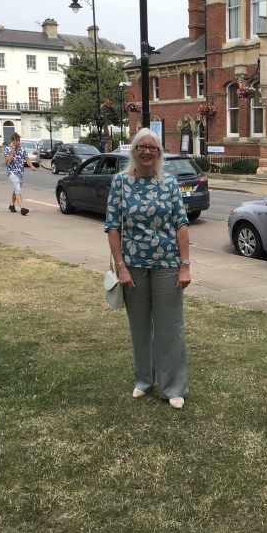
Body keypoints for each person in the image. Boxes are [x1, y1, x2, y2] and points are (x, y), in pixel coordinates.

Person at [105, 128, 192, 410]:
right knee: (139, 327)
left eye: (152, 148)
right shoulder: (120, 183)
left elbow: (181, 224)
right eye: (141, 147)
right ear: (133, 151)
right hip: (133, 267)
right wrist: (121, 268)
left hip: (167, 264)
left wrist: (184, 266)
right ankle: (144, 380)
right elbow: (113, 228)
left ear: (158, 153)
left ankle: (173, 387)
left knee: (170, 328)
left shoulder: (169, 183)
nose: (147, 152)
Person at [3, 133, 35, 215]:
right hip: (12, 172)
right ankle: (22, 208)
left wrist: (31, 165)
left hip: (20, 173)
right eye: (16, 141)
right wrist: (13, 150)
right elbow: (8, 160)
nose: (18, 142)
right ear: (13, 141)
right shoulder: (7, 149)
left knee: (16, 189)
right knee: (17, 188)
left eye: (19, 141)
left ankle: (12, 205)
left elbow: (27, 159)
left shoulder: (22, 150)